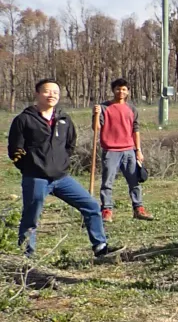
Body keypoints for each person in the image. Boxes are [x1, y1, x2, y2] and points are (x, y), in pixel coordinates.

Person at [9, 79, 118, 259]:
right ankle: (25, 257)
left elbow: (70, 145)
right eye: (47, 91)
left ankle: (100, 247)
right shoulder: (24, 120)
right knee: (31, 216)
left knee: (90, 205)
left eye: (56, 93)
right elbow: (15, 150)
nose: (52, 95)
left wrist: (62, 164)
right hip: (36, 178)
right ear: (37, 94)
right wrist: (31, 167)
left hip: (61, 178)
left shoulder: (64, 119)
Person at [94, 77, 153, 222]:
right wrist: (96, 115)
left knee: (134, 182)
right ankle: (106, 210)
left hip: (129, 150)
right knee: (107, 182)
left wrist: (138, 150)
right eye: (118, 89)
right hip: (110, 150)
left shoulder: (131, 109)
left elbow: (135, 130)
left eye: (124, 89)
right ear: (113, 90)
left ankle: (138, 209)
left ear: (128, 92)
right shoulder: (104, 108)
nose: (121, 91)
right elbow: (96, 129)